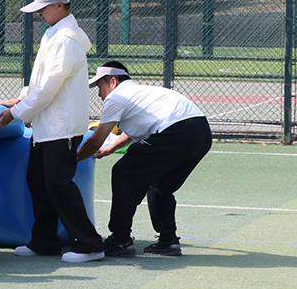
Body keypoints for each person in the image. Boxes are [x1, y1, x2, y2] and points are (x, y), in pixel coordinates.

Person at [0, 0, 105, 263]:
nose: (39, 13)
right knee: (38, 182)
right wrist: (19, 100)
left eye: (43, 8)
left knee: (58, 184)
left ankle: (90, 244)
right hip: (47, 127)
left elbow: (48, 88)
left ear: (59, 6)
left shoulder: (65, 41)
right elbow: (39, 82)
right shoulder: (53, 34)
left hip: (61, 128)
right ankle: (45, 241)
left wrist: (15, 112)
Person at [77, 61, 212, 258]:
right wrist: (111, 149)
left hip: (177, 131)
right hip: (201, 133)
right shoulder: (142, 93)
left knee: (123, 173)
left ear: (113, 81)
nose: (99, 94)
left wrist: (71, 160)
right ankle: (168, 241)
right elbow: (135, 130)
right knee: (161, 185)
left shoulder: (116, 97)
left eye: (100, 86)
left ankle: (120, 240)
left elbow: (95, 140)